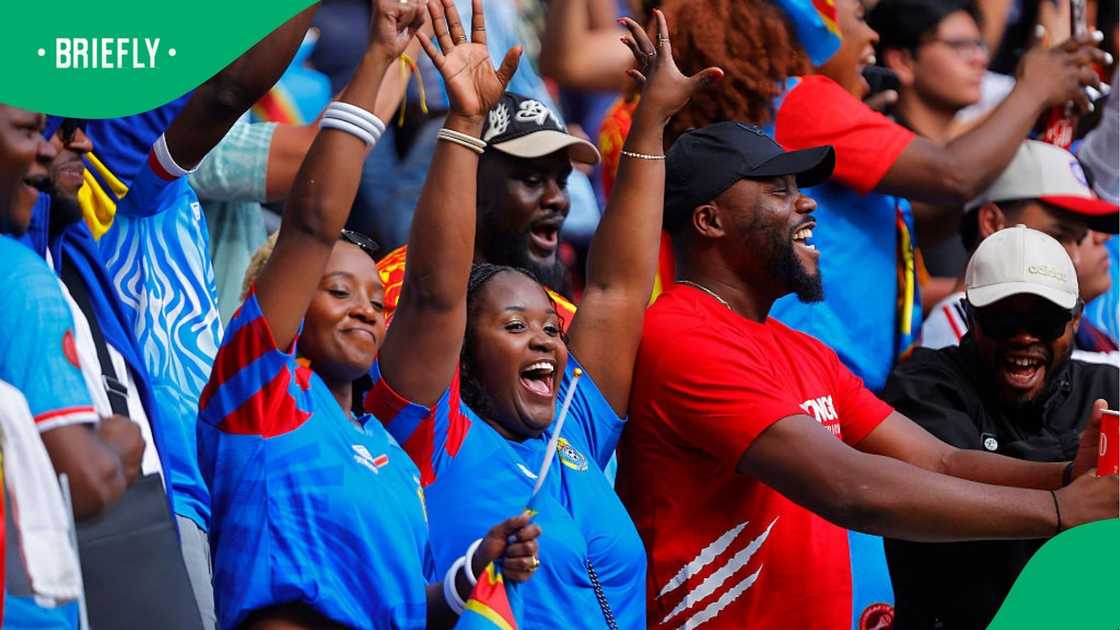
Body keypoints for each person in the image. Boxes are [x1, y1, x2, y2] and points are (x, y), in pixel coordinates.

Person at [615, 123, 1119, 630]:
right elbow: (848, 488)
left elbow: (939, 461)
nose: (807, 204)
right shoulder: (680, 334)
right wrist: (1057, 510)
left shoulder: (804, 350)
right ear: (709, 220)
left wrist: (1063, 476)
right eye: (779, 191)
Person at [366, 7, 720, 628]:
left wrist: (651, 121)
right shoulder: (403, 304)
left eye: (550, 333)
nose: (558, 198)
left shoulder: (567, 382)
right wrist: (465, 124)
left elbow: (616, 291)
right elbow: (435, 299)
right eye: (532, 178)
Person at [198, 2, 540, 628]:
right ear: (287, 303)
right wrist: (382, 55)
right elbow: (310, 221)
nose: (365, 310)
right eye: (337, 291)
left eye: (377, 304)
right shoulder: (259, 392)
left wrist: (470, 571)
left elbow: (405, 608)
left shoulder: (391, 448)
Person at [660, 0, 1109, 393]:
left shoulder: (788, 108)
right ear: (805, 29)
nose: (871, 32)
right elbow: (953, 176)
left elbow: (929, 210)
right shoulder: (804, 103)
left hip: (834, 375)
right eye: (858, 15)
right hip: (822, 372)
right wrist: (1032, 88)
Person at [881, 226, 1119, 629]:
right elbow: (944, 483)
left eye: (1044, 320)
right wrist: (1071, 479)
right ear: (971, 318)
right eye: (1002, 319)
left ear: (1076, 319)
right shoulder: (924, 385)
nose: (1023, 337)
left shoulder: (1108, 388)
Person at [0, 105, 143, 629]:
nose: (50, 148)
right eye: (31, 130)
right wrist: (116, 448)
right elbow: (81, 479)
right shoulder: (19, 279)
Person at [377, 89, 600, 324]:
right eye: (532, 181)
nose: (558, 199)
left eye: (562, 182)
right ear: (468, 183)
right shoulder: (397, 296)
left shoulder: (560, 314)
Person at [921, 140, 1119, 360]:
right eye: (1058, 236)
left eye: (1078, 239)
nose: (1074, 258)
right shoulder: (955, 333)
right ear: (992, 222)